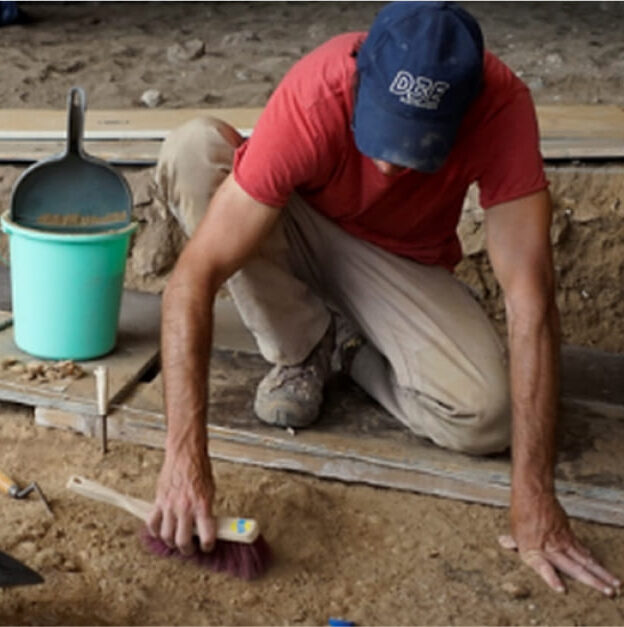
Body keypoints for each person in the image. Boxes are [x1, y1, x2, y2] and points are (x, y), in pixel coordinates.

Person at [148, 1, 620, 597]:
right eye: (385, 128)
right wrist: (184, 460)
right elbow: (193, 278)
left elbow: (531, 301)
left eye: (416, 141)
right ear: (361, 73)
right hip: (297, 224)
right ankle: (304, 346)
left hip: (400, 262)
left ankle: (351, 350)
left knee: (486, 416)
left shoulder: (501, 106)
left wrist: (534, 499)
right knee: (193, 152)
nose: (391, 162)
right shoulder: (319, 89)